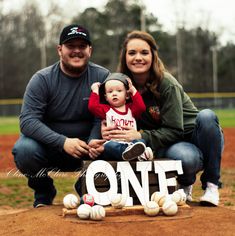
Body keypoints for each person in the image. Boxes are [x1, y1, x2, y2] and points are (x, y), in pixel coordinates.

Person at [101, 30, 224, 206]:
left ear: (153, 56)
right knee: (185, 158)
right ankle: (186, 182)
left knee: (207, 115)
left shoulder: (167, 83)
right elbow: (109, 112)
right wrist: (106, 127)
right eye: (132, 52)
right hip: (170, 143)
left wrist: (141, 136)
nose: (138, 57)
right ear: (124, 57)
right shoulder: (120, 86)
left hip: (195, 136)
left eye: (144, 52)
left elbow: (175, 130)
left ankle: (211, 186)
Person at [12, 24, 109, 208]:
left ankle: (85, 188)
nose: (77, 51)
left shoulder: (102, 76)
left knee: (112, 145)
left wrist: (93, 142)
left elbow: (102, 117)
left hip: (88, 147)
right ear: (59, 49)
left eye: (82, 46)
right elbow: (28, 121)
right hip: (51, 147)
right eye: (71, 46)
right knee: (24, 150)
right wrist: (62, 142)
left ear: (90, 50)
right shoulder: (42, 79)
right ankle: (44, 191)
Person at [88, 72, 153, 161]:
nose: (114, 94)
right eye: (110, 92)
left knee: (141, 142)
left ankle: (135, 153)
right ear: (106, 97)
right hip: (114, 142)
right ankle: (138, 154)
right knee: (108, 146)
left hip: (131, 142)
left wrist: (133, 90)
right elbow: (93, 107)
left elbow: (141, 107)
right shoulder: (106, 110)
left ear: (127, 95)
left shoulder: (131, 109)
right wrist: (95, 91)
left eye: (119, 91)